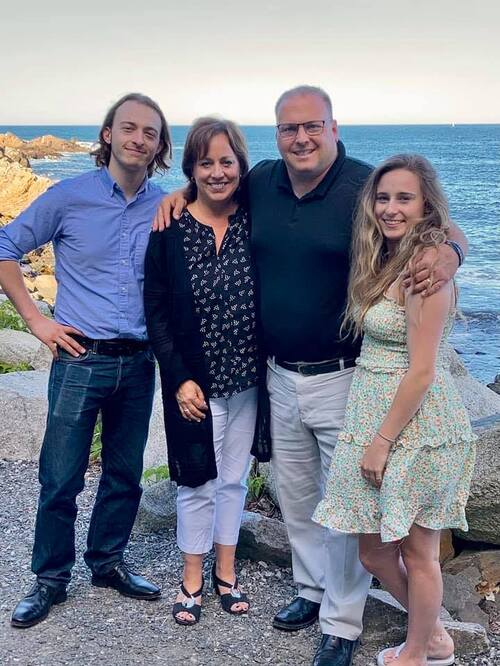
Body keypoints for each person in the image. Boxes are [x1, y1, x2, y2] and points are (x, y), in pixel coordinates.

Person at [155, 86, 468, 666]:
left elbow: (435, 219)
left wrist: (451, 251)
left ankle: (341, 623)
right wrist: (180, 193)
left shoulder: (364, 184)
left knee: (346, 505)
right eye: (289, 128)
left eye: (312, 126)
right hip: (277, 373)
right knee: (297, 494)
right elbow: (213, 187)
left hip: (346, 376)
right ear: (277, 134)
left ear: (333, 127)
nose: (301, 138)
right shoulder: (262, 181)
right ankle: (310, 589)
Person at [0, 93, 171, 628]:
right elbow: (5, 247)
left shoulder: (165, 206)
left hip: (139, 363)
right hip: (80, 359)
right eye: (129, 127)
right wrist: (36, 320)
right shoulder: (69, 196)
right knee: (60, 477)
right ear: (107, 134)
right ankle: (50, 578)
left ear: (160, 146)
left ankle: (107, 562)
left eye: (150, 132)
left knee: (124, 474)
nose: (138, 139)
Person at [313, 154, 476, 666]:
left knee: (418, 552)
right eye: (382, 198)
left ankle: (417, 653)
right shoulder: (384, 258)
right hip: (373, 414)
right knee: (373, 551)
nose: (390, 208)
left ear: (426, 205)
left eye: (404, 198)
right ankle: (433, 634)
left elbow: (423, 371)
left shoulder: (426, 270)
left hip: (417, 425)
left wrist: (381, 442)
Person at [144, 117, 270, 626]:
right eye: (205, 163)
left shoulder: (255, 218)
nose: (217, 172)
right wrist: (178, 378)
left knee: (234, 480)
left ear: (241, 165)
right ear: (190, 169)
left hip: (248, 382)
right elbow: (155, 311)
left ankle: (226, 572)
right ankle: (191, 578)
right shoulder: (169, 229)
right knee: (197, 480)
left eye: (226, 161)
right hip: (195, 383)